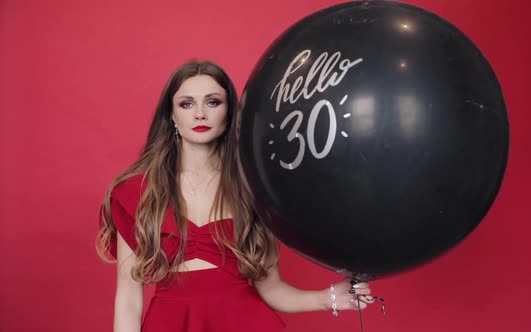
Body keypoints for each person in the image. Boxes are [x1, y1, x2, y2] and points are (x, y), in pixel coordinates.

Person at [96, 60, 374, 332]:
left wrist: (329, 298)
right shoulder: (137, 193)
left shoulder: (252, 188)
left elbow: (272, 289)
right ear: (171, 115)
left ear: (229, 112)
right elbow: (129, 300)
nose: (200, 114)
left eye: (213, 102)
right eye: (187, 103)